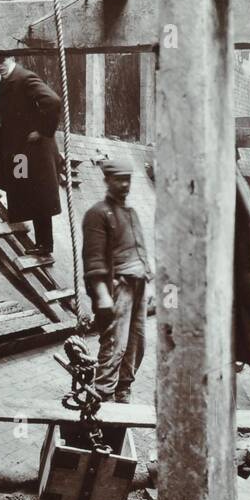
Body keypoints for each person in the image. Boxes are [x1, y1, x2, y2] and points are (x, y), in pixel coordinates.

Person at [82, 161, 151, 403]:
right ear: (107, 181)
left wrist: (146, 279)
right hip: (117, 288)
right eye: (118, 179)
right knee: (115, 346)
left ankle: (123, 392)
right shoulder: (98, 214)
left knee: (136, 345)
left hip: (138, 286)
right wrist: (101, 294)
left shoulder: (130, 213)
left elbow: (139, 249)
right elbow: (94, 259)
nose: (124, 184)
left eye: (127, 179)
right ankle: (101, 398)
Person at [0, 55, 61, 263]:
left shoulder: (25, 78)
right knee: (22, 183)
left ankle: (44, 245)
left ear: (12, 58)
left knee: (39, 195)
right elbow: (4, 109)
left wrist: (42, 131)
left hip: (36, 149)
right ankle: (35, 237)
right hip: (21, 149)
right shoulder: (6, 82)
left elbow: (53, 101)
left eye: (2, 61)